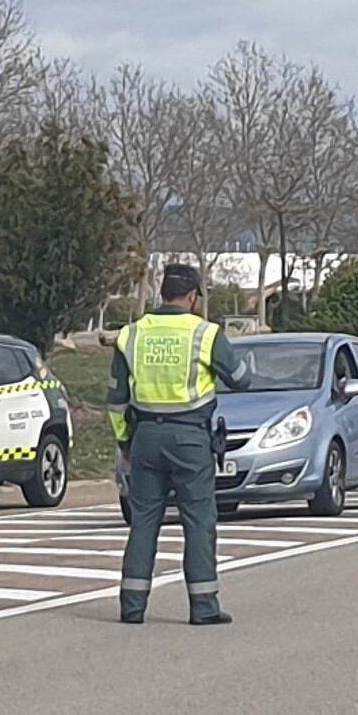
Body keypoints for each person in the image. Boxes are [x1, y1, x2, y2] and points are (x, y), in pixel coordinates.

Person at [112, 260, 234, 625]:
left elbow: (116, 400)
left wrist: (125, 442)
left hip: (146, 437)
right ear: (194, 297)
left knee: (144, 521)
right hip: (190, 438)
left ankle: (132, 606)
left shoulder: (131, 334)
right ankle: (203, 607)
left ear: (161, 294)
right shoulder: (206, 334)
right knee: (198, 520)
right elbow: (240, 377)